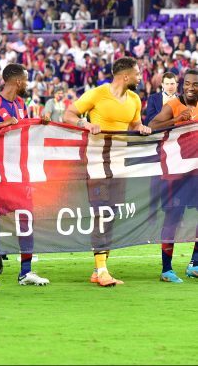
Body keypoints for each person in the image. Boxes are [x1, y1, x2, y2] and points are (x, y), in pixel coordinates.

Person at [63, 56, 151, 287]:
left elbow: (134, 124)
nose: (140, 76)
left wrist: (139, 127)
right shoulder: (98, 93)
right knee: (101, 212)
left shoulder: (134, 99)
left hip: (120, 164)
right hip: (97, 162)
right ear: (125, 76)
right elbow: (69, 115)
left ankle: (98, 269)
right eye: (137, 72)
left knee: (112, 215)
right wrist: (86, 124)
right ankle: (102, 269)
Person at [0, 63, 50, 286]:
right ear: (17, 81)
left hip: (16, 172)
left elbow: (22, 132)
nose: (28, 83)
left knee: (26, 219)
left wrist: (40, 124)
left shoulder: (20, 104)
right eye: (26, 79)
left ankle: (26, 272)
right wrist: (1, 125)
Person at [148, 70, 198, 283]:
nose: (190, 87)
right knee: (173, 218)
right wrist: (177, 119)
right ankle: (166, 270)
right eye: (187, 83)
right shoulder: (174, 105)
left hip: (196, 172)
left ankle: (194, 264)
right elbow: (152, 126)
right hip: (177, 174)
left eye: (195, 84)